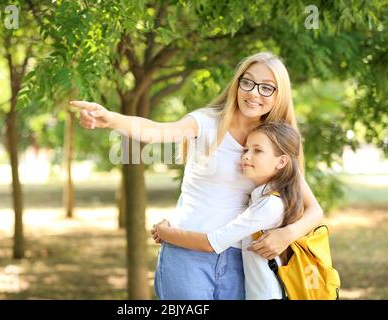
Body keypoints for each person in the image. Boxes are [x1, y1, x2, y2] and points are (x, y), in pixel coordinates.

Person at [70, 52, 323, 299]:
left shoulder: (275, 142)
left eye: (267, 87)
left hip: (241, 260)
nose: (254, 92)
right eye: (247, 82)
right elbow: (156, 132)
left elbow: (314, 211)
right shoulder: (206, 122)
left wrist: (285, 235)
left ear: (279, 95)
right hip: (186, 255)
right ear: (237, 83)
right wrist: (111, 119)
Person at [151, 121, 303, 300]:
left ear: (282, 161)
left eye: (258, 150)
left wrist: (164, 232)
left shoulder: (269, 206)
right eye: (245, 150)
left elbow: (211, 243)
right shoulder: (260, 199)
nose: (246, 156)